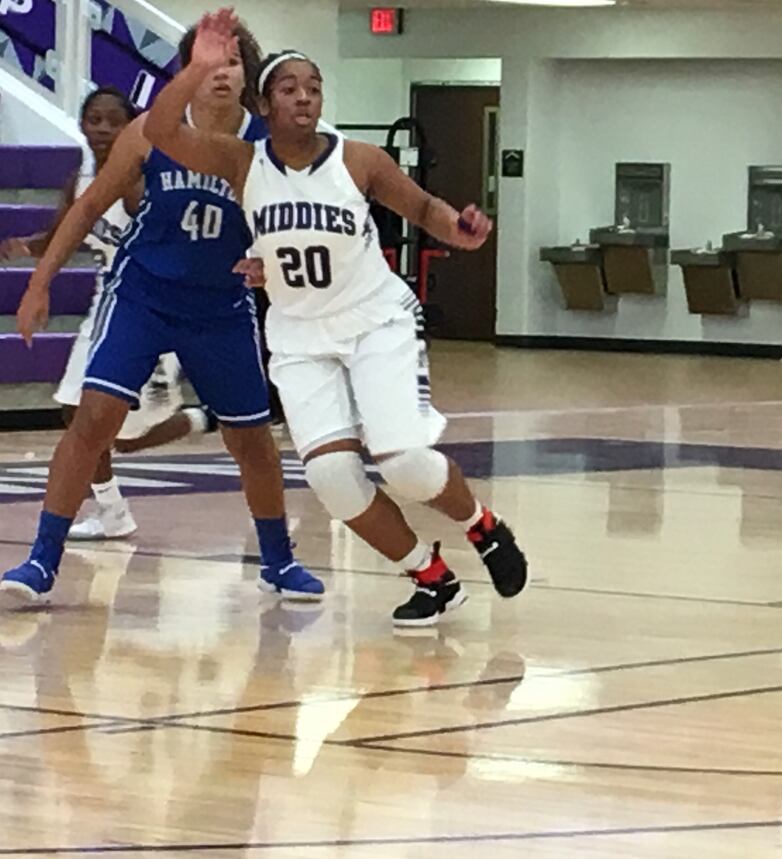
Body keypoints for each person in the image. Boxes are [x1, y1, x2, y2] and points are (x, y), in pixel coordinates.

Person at [144, 14, 528, 626]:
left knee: (401, 459)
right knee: (332, 479)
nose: (304, 96)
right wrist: (196, 67)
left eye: (313, 87)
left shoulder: (359, 160)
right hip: (300, 336)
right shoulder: (243, 162)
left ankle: (482, 526)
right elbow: (161, 130)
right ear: (264, 103)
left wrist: (460, 229)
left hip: (375, 321)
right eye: (289, 87)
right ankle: (430, 577)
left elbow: (425, 206)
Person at [7, 17, 324, 602]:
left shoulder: (267, 144)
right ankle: (41, 561)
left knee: (252, 440)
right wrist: (39, 283)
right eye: (211, 61)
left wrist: (270, 264)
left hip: (221, 304)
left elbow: (298, 225)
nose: (222, 73)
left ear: (246, 74)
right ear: (188, 70)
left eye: (233, 63)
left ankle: (278, 560)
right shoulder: (153, 132)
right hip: (144, 293)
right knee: (93, 420)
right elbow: (87, 207)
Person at [1, 87, 218, 541]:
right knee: (75, 412)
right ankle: (114, 511)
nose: (100, 128)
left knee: (111, 432)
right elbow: (67, 230)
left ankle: (191, 419)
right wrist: (28, 250)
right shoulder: (80, 176)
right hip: (106, 301)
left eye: (111, 121)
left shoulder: (145, 176)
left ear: (130, 126)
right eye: (92, 119)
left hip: (150, 304)